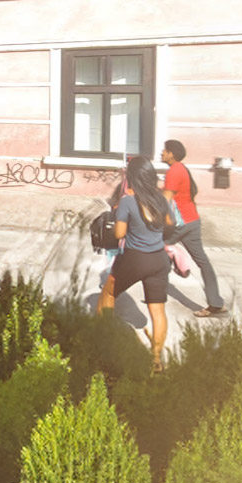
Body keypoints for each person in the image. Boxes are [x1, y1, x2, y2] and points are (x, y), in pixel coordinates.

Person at [99, 154, 175, 372]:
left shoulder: (129, 200)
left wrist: (120, 221)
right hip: (159, 259)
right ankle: (156, 360)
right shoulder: (161, 198)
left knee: (108, 294)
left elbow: (120, 232)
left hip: (134, 259)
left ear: (132, 177)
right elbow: (171, 223)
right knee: (158, 311)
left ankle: (102, 340)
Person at [161, 139, 226, 317]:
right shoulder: (182, 169)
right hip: (192, 220)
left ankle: (157, 291)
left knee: (156, 248)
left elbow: (166, 201)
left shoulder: (173, 171)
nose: (162, 153)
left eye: (164, 151)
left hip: (179, 223)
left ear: (171, 154)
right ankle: (216, 303)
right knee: (203, 262)